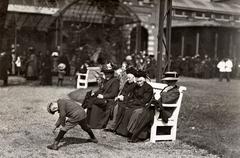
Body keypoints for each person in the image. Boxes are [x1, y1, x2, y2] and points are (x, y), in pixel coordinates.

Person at [128, 71, 180, 143]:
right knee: (143, 112)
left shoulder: (175, 92)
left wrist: (165, 92)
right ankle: (138, 135)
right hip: (158, 108)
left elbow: (165, 101)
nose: (168, 83)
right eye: (167, 81)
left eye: (170, 81)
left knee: (145, 114)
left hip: (165, 111)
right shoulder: (167, 88)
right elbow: (160, 100)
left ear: (174, 81)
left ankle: (137, 136)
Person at [115, 70, 153, 137]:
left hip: (142, 105)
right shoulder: (135, 86)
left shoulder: (148, 88)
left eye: (140, 81)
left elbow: (145, 100)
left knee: (130, 111)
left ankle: (128, 132)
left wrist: (132, 102)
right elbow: (131, 96)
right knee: (122, 106)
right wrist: (127, 100)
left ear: (144, 80)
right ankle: (118, 129)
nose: (138, 83)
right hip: (134, 103)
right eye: (137, 81)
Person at [85, 63, 120, 129]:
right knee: (90, 97)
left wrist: (103, 96)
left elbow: (114, 94)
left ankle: (96, 124)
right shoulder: (106, 81)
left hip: (109, 100)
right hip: (103, 98)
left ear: (111, 73)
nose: (106, 75)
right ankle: (88, 122)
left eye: (108, 73)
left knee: (92, 101)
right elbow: (101, 90)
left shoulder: (115, 81)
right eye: (105, 73)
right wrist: (94, 93)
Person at [104, 67, 138, 132]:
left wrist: (124, 98)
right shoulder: (127, 83)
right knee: (113, 106)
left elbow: (133, 96)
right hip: (122, 99)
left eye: (129, 78)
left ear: (134, 78)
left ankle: (114, 127)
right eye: (127, 78)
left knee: (117, 107)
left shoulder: (135, 85)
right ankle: (110, 126)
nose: (128, 79)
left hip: (129, 101)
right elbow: (123, 92)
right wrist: (119, 96)